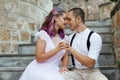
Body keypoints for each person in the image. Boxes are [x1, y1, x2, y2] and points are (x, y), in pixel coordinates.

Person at [19, 7, 69, 80]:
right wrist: (57, 49)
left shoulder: (64, 38)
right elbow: (39, 58)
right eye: (64, 19)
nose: (67, 22)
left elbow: (65, 56)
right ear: (56, 18)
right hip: (40, 69)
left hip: (54, 70)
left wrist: (64, 67)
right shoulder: (43, 35)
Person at [64, 7, 108, 80]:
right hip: (76, 72)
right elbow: (62, 55)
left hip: (92, 72)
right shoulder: (70, 38)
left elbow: (90, 63)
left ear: (78, 19)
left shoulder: (94, 37)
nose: (67, 22)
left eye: (69, 19)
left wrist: (72, 50)